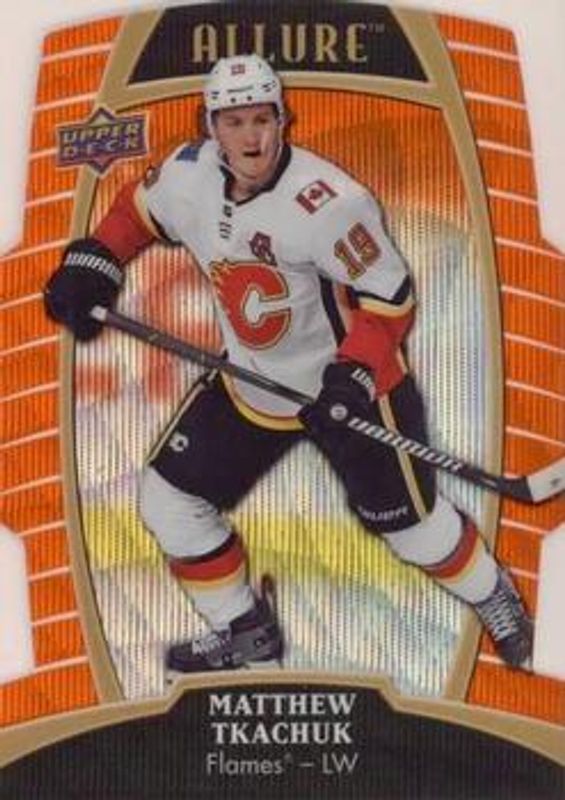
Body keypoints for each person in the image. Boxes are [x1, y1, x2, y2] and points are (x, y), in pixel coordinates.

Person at [44, 54, 533, 675]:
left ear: (283, 119)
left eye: (262, 118)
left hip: (355, 389)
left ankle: (493, 594)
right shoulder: (187, 175)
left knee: (413, 531)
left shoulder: (329, 203)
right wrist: (94, 261)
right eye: (234, 122)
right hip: (253, 383)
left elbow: (391, 296)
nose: (251, 137)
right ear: (210, 127)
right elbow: (135, 213)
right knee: (169, 502)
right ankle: (244, 631)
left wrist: (352, 375)